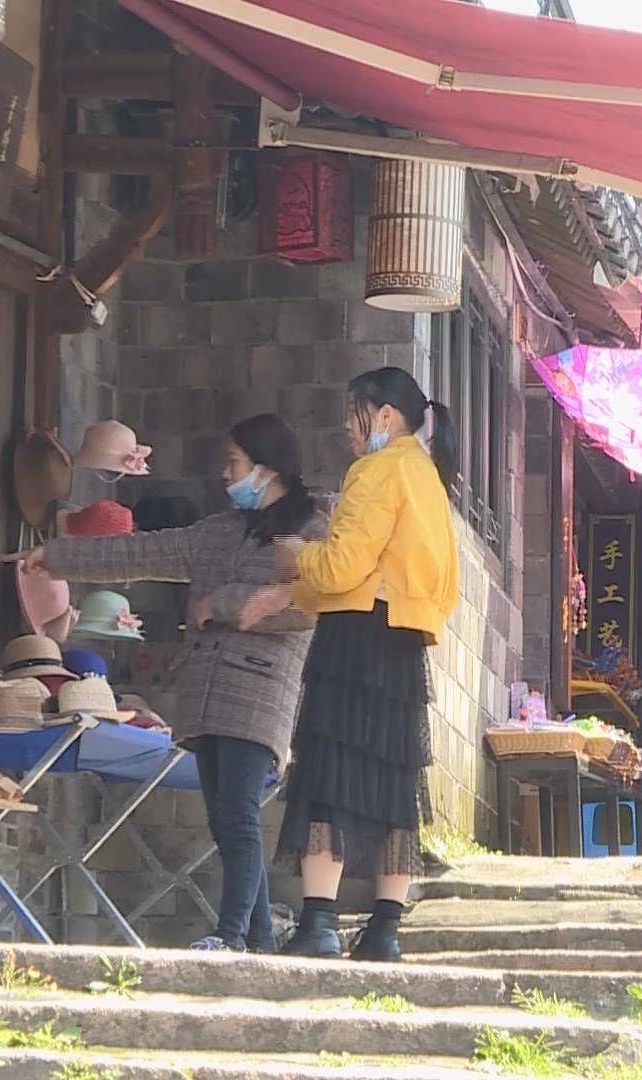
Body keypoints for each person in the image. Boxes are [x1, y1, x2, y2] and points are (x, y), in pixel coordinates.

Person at [6, 414, 328, 953]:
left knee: (239, 816)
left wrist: (217, 605)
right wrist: (56, 557)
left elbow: (308, 608)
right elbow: (138, 552)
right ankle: (262, 944)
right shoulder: (219, 531)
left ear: (268, 467)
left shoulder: (314, 530)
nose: (226, 475)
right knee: (224, 822)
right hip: (205, 691)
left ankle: (230, 936)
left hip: (261, 688)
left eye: (234, 463)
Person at [242, 366, 461, 963]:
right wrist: (299, 591)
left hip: (354, 643)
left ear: (384, 415)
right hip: (403, 643)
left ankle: (319, 922)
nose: (344, 425)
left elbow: (342, 567)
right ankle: (385, 931)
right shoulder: (430, 480)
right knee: (394, 784)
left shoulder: (377, 469)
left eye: (352, 411)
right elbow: (412, 579)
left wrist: (298, 557)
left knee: (326, 776)